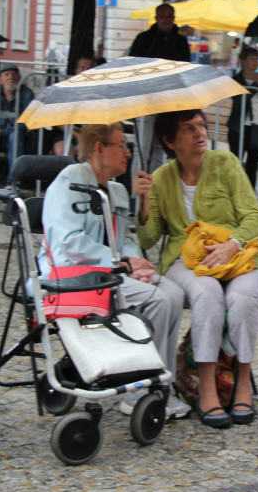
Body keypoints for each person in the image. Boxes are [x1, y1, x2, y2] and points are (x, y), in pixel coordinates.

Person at [38, 123, 190, 420]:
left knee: (174, 292)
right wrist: (120, 262)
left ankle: (161, 383)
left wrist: (136, 265)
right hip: (75, 275)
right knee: (157, 300)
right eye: (121, 145)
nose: (128, 152)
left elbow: (127, 239)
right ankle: (140, 388)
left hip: (113, 272)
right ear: (98, 149)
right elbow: (68, 243)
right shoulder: (68, 182)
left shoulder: (118, 190)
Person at [134, 110, 258, 429]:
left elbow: (255, 217)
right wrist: (141, 201)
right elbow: (148, 236)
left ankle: (242, 382)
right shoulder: (162, 177)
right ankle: (207, 387)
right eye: (188, 128)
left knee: (242, 299)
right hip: (186, 261)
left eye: (202, 125)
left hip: (240, 257)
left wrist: (232, 243)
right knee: (207, 292)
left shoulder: (226, 163)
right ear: (169, 141)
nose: (200, 133)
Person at [127, 3, 191, 173]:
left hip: (169, 103)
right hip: (146, 100)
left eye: (169, 16)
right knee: (143, 149)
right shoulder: (144, 39)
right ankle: (137, 194)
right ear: (156, 19)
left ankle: (154, 191)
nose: (166, 19)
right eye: (162, 16)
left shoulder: (181, 42)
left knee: (160, 149)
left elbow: (184, 70)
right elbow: (132, 67)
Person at [228, 45, 258, 186]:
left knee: (252, 166)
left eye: (257, 59)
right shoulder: (236, 80)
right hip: (239, 127)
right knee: (236, 163)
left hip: (257, 127)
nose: (255, 62)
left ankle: (250, 195)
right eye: (251, 58)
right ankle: (233, 193)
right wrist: (256, 85)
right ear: (243, 61)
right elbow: (240, 100)